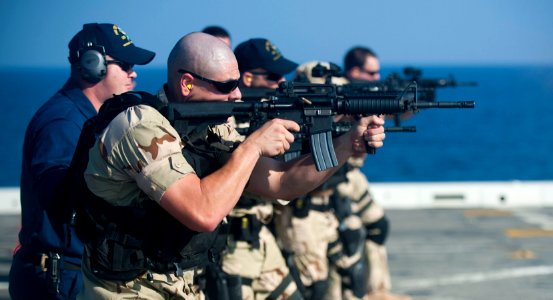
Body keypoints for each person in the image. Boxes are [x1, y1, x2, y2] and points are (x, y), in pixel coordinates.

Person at [76, 32, 386, 299]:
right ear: (186, 84)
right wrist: (252, 146)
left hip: (180, 282)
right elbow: (203, 213)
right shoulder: (139, 127)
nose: (237, 94)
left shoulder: (211, 126)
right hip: (129, 289)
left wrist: (347, 145)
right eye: (226, 86)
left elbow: (281, 183)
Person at [9, 23, 155, 300]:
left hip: (70, 273)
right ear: (92, 64)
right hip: (60, 278)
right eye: (124, 65)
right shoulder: (63, 122)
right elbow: (60, 199)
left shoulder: (88, 118)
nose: (133, 73)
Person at [274, 61, 369, 300]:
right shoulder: (288, 122)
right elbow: (285, 169)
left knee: (351, 276)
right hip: (302, 215)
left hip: (331, 209)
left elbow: (352, 165)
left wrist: (352, 136)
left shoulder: (335, 122)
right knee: (313, 288)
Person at [216, 37, 301, 299]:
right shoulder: (224, 122)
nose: (281, 83)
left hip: (262, 239)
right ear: (249, 79)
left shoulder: (270, 115)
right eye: (274, 76)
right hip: (230, 248)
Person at [342, 46, 411, 300]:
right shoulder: (337, 94)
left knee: (377, 228)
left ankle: (378, 292)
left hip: (349, 177)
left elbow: (392, 112)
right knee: (346, 244)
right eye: (371, 73)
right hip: (332, 181)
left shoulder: (361, 94)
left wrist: (411, 103)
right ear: (354, 71)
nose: (376, 78)